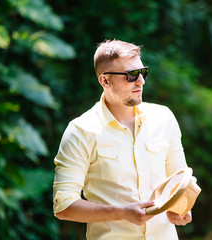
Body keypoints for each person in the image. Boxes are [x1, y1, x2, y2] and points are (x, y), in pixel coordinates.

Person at [53, 39, 193, 240]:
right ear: (104, 81)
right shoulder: (81, 131)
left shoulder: (164, 118)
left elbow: (179, 181)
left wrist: (182, 208)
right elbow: (63, 206)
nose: (141, 81)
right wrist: (122, 212)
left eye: (143, 72)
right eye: (131, 75)